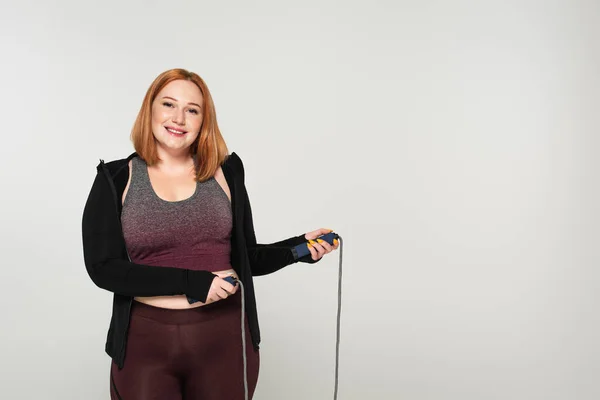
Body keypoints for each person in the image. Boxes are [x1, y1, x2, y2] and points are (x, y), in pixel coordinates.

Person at [81, 68, 339, 400]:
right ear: (150, 110)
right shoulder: (116, 177)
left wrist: (298, 248)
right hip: (145, 342)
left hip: (225, 338)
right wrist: (194, 282)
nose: (179, 118)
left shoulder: (227, 171)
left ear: (204, 120)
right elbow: (104, 268)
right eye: (169, 105)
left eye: (192, 110)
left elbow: (248, 257)